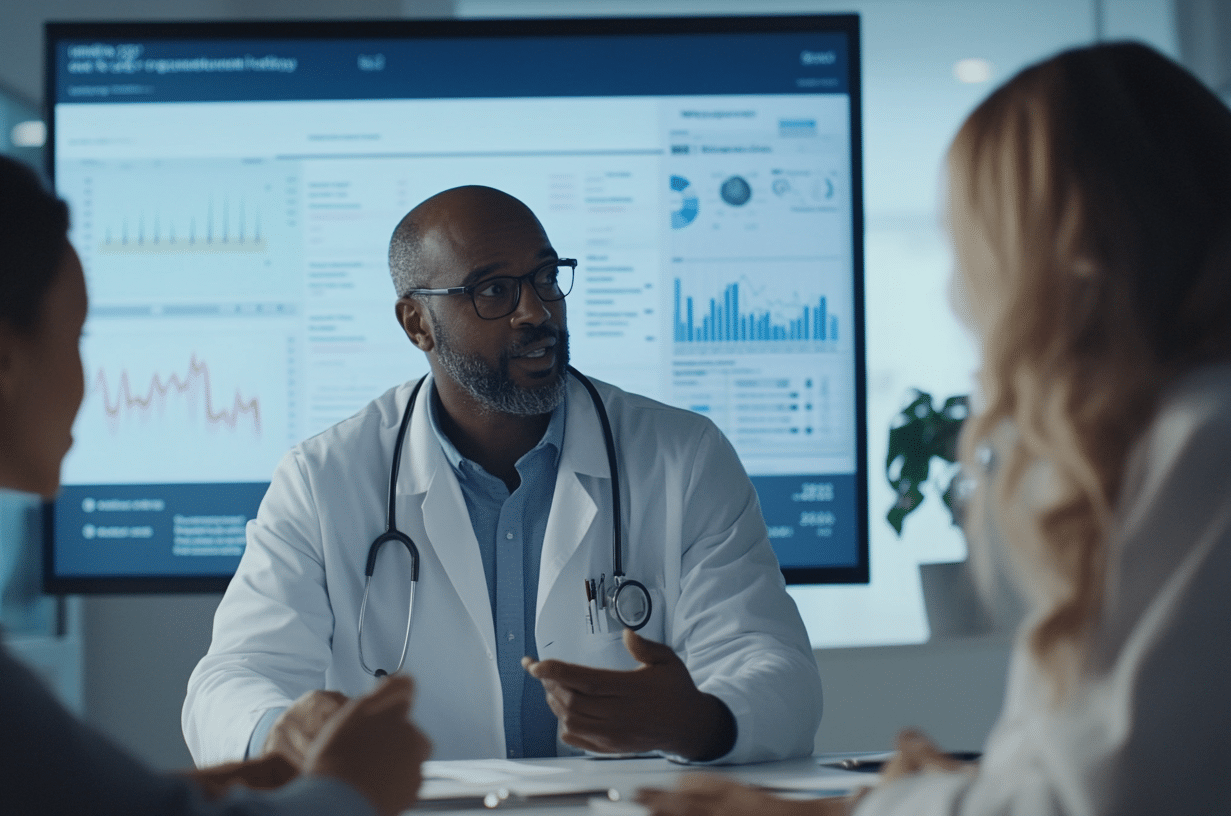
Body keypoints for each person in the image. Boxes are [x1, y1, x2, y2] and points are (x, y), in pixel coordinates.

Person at [637, 41, 1231, 816]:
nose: (961, 297)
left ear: (1078, 254)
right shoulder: (1168, 444)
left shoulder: (1200, 444)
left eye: (978, 253)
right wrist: (941, 794)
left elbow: (1104, 800)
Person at [0, 142, 429, 816]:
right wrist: (352, 785)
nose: (88, 382)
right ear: (2, 358)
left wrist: (227, 787)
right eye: (78, 335)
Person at [184, 185, 821, 767]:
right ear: (416, 323)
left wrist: (697, 722)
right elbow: (231, 677)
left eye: (546, 277)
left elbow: (775, 668)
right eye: (493, 290)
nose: (534, 312)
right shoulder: (324, 480)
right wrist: (281, 731)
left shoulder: (683, 456)